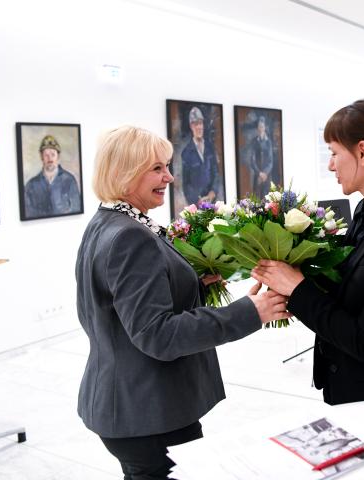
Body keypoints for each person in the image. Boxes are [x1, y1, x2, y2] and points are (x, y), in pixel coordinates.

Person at [75, 125, 290, 479]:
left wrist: (193, 285)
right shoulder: (131, 236)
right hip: (148, 414)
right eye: (157, 168)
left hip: (126, 405)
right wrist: (250, 312)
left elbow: (118, 309)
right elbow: (155, 334)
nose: (170, 177)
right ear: (125, 172)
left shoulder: (105, 223)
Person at [251, 98, 364, 405]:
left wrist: (296, 288)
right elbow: (345, 297)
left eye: (334, 153)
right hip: (346, 388)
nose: (330, 164)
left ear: (362, 152)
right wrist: (288, 281)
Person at [23, 135, 82, 218]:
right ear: (41, 157)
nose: (50, 158)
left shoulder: (69, 180)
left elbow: (76, 207)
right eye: (46, 155)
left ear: (58, 156)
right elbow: (28, 213)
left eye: (53, 154)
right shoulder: (31, 185)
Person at [181, 106, 218, 206]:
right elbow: (186, 184)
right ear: (191, 126)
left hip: (212, 201)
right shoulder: (186, 153)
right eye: (196, 124)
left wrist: (213, 192)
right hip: (197, 205)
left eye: (201, 123)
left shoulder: (210, 148)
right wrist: (197, 201)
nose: (199, 127)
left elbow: (215, 173)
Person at [248, 116, 273, 197]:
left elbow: (270, 161)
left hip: (267, 176)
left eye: (262, 126)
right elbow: (252, 160)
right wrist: (259, 173)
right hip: (257, 175)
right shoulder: (254, 141)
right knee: (257, 199)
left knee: (267, 199)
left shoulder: (268, 142)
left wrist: (265, 173)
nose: (260, 129)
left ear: (265, 127)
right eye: (259, 127)